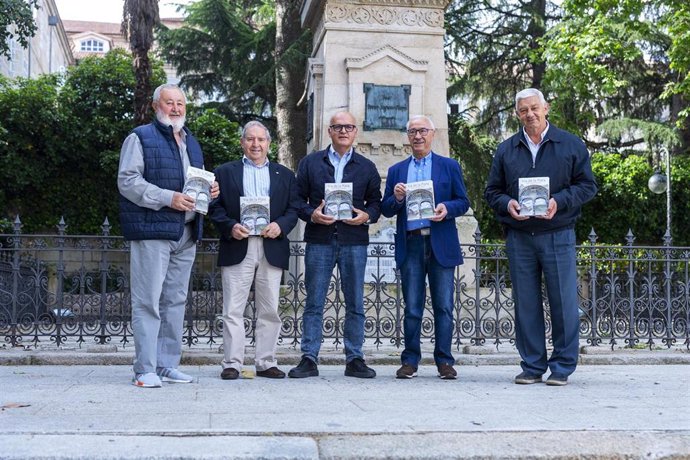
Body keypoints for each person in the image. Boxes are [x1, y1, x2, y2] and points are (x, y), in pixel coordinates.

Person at [484, 88, 597, 386]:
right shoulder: (506, 149)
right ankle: (532, 366)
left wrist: (558, 201)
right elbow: (492, 192)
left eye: (535, 108)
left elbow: (587, 186)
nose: (530, 114)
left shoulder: (570, 144)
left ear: (546, 108)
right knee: (526, 304)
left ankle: (561, 366)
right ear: (517, 113)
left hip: (557, 233)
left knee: (563, 302)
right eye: (524, 110)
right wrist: (507, 204)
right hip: (520, 236)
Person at [118, 83, 219, 388]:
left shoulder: (192, 143)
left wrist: (210, 192)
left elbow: (193, 185)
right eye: (169, 103)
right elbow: (127, 181)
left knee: (175, 301)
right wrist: (167, 197)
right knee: (148, 301)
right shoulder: (140, 137)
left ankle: (166, 365)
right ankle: (145, 369)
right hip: (153, 231)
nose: (176, 109)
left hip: (186, 232)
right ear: (155, 106)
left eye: (181, 104)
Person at [289, 111, 382, 379]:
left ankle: (354, 358)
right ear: (329, 131)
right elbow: (296, 200)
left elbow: (376, 201)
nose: (343, 131)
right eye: (338, 127)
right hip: (320, 239)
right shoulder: (310, 163)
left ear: (355, 132)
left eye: (348, 127)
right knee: (314, 301)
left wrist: (368, 216)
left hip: (354, 242)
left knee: (355, 302)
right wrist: (311, 215)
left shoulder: (366, 166)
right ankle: (309, 358)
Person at [381, 115, 471, 380]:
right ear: (407, 137)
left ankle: (444, 361)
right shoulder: (397, 170)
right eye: (412, 132)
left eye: (422, 131)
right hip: (411, 244)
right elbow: (386, 208)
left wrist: (447, 208)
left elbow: (462, 201)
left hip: (440, 242)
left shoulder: (449, 166)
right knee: (412, 307)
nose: (417, 136)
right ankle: (410, 360)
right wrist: (396, 198)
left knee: (443, 305)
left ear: (432, 134)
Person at [208, 121, 299, 380]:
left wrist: (280, 226)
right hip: (238, 244)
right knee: (233, 308)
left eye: (261, 139)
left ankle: (266, 361)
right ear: (242, 142)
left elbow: (293, 209)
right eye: (250, 139)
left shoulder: (285, 174)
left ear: (269, 143)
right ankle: (232, 363)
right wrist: (230, 226)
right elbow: (215, 208)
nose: (256, 144)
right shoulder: (224, 173)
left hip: (272, 246)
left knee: (269, 308)